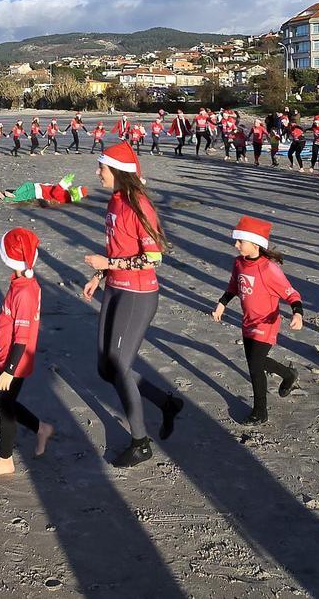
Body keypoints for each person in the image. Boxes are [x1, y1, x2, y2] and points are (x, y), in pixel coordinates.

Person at [81, 141, 183, 467]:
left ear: (118, 172)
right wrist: (99, 274)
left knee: (119, 365)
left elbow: (153, 258)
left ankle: (140, 443)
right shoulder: (114, 201)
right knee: (106, 368)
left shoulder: (139, 204)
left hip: (138, 294)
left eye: (102, 167)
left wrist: (108, 264)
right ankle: (166, 403)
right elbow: (117, 247)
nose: (98, 172)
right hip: (114, 289)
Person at [0, 228, 54, 477]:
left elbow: (21, 338)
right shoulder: (21, 283)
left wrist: (10, 371)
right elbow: (8, 321)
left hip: (15, 360)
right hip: (6, 353)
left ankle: (5, 459)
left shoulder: (24, 293)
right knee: (1, 401)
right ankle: (41, 428)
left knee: (5, 408)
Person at [211, 216, 303, 424]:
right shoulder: (239, 263)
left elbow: (291, 294)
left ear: (255, 244)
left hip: (266, 323)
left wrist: (297, 313)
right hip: (248, 322)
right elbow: (234, 286)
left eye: (240, 241)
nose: (236, 245)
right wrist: (222, 303)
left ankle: (260, 411)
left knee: (255, 365)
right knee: (256, 362)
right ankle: (288, 374)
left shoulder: (269, 269)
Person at [0, 174, 89, 206]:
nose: (74, 188)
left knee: (25, 195)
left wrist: (63, 183)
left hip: (40, 192)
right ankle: (14, 193)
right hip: (41, 187)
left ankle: (8, 198)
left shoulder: (65, 197)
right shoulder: (67, 193)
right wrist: (66, 183)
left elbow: (55, 192)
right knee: (27, 185)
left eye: (76, 189)